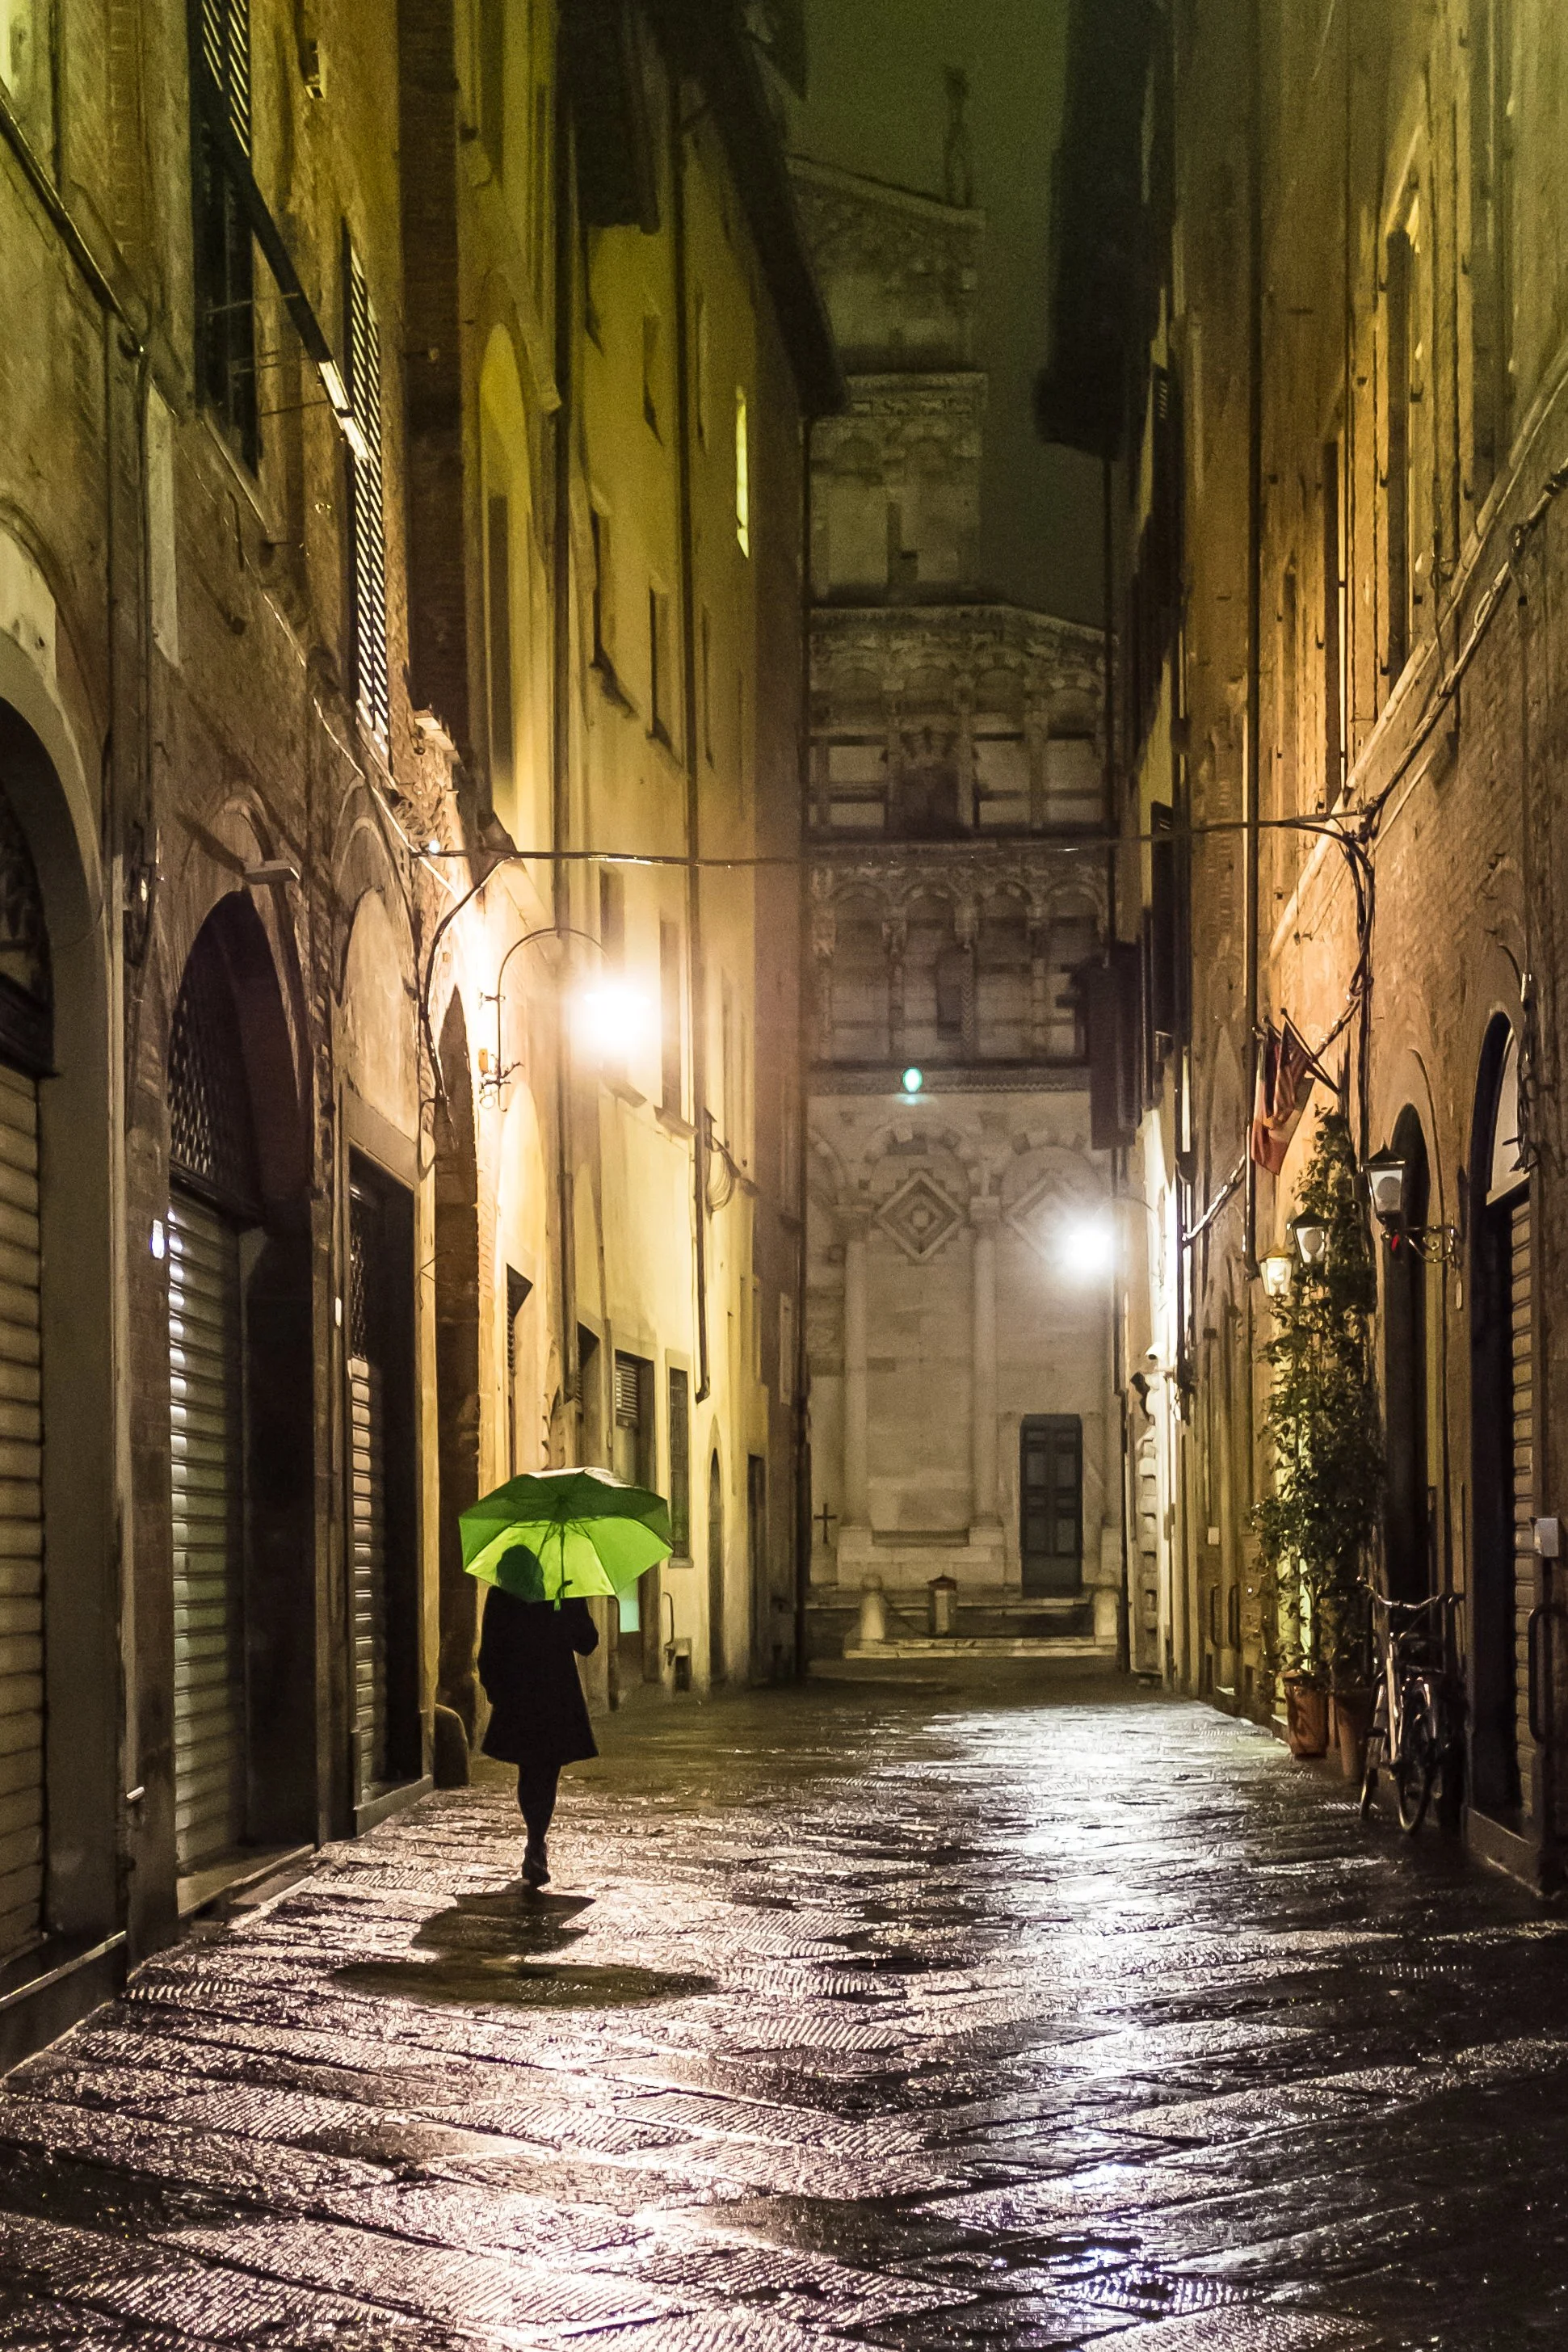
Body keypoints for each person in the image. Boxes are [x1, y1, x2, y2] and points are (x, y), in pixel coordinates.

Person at [477, 1559, 600, 1888]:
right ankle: (536, 1842)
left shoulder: (546, 1593)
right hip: (544, 1696)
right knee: (543, 1771)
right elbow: (490, 1649)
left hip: (535, 1696)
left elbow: (586, 1642)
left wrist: (566, 1609)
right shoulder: (508, 1596)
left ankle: (535, 1842)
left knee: (534, 1770)